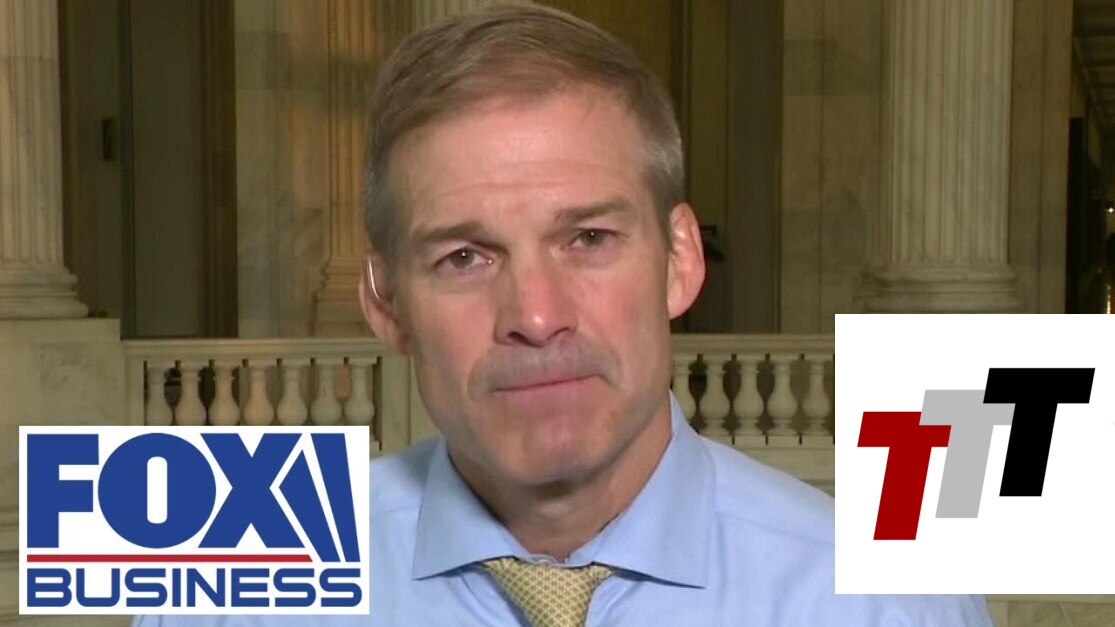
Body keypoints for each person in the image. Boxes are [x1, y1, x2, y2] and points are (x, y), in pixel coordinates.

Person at [137, 5, 993, 626]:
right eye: (464, 256)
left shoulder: (887, 605)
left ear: (680, 259)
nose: (537, 316)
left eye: (587, 238)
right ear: (386, 302)